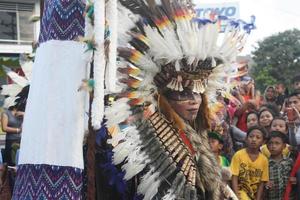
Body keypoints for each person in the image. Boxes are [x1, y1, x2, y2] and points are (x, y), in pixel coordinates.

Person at [231, 126, 269, 200]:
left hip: (254, 195)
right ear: (246, 139)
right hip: (241, 192)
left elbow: (262, 183)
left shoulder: (264, 160)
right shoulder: (238, 155)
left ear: (263, 142)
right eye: (251, 136)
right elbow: (234, 177)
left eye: (258, 137)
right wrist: (236, 196)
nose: (254, 139)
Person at [265, 131, 293, 200]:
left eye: (277, 143)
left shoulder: (290, 161)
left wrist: (295, 179)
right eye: (270, 143)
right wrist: (265, 184)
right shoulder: (265, 163)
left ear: (284, 146)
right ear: (267, 146)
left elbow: (295, 176)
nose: (273, 146)